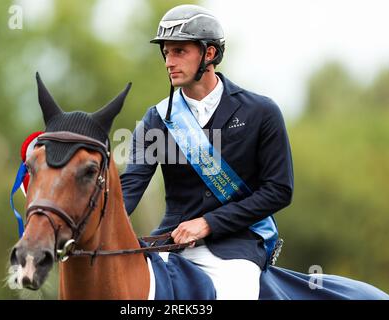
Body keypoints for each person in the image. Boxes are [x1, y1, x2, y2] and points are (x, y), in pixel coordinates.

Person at [120, 4, 294, 300]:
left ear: (209, 54)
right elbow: (128, 191)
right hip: (169, 244)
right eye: (166, 53)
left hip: (236, 246)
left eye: (179, 52)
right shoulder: (157, 119)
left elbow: (278, 191)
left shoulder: (261, 112)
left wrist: (208, 223)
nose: (168, 62)